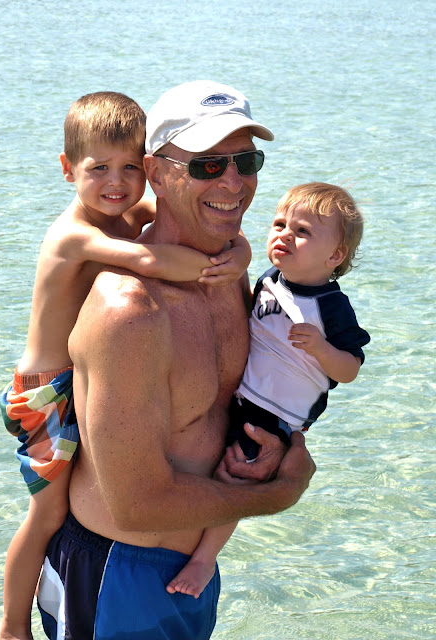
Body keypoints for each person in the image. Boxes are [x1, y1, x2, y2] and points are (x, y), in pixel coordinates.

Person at [35, 80, 316, 640]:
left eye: (245, 161)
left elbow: (238, 399)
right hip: (117, 575)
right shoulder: (129, 311)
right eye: (208, 165)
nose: (233, 183)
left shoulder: (227, 272)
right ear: (157, 174)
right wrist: (279, 493)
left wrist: (283, 444)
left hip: (193, 568)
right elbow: (137, 504)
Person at [0, 90, 253, 640]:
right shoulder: (74, 234)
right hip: (43, 393)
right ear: (67, 169)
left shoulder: (126, 212)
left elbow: (195, 216)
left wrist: (241, 251)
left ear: (149, 172)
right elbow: (149, 259)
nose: (117, 182)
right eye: (99, 169)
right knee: (46, 515)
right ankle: (11, 625)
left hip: (71, 381)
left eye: (130, 168)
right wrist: (217, 265)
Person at [166, 182, 371, 599]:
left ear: (335, 256)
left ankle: (205, 558)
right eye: (279, 224)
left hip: (276, 415)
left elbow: (350, 369)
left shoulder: (331, 306)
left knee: (236, 478)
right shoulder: (269, 280)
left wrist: (322, 348)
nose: (284, 235)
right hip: (241, 395)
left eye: (302, 231)